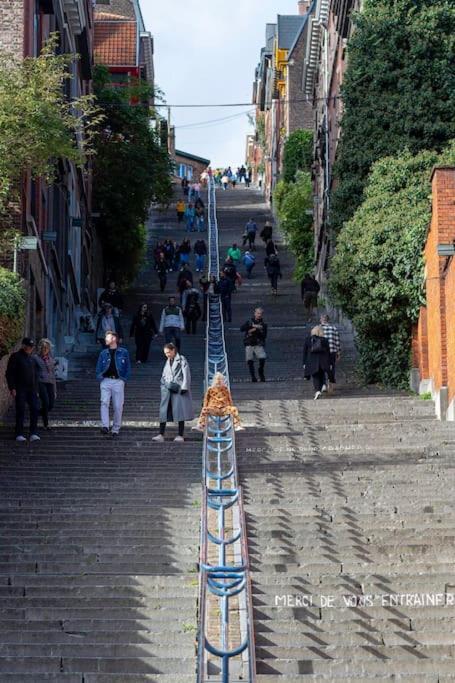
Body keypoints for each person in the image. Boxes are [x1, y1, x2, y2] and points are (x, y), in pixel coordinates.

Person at [153, 343, 194, 443]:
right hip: (167, 389)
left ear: (173, 350)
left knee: (180, 412)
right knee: (164, 412)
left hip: (178, 388)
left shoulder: (181, 359)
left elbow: (186, 373)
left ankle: (180, 434)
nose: (167, 354)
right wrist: (163, 386)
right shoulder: (167, 361)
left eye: (168, 352)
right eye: (165, 353)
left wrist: (184, 387)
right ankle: (161, 434)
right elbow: (163, 376)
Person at [96, 330, 131, 436]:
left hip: (118, 380)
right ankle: (105, 426)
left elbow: (128, 367)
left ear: (114, 339)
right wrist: (99, 377)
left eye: (108, 337)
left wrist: (124, 379)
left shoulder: (123, 352)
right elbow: (98, 367)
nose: (105, 339)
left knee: (118, 406)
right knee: (104, 402)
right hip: (105, 380)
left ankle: (115, 429)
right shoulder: (103, 353)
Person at [5, 337, 40, 442]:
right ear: (23, 345)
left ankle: (33, 433)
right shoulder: (15, 357)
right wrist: (12, 387)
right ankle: (18, 433)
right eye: (28, 346)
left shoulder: (32, 359)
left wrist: (37, 389)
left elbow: (36, 375)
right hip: (20, 388)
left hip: (32, 389)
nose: (30, 348)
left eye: (32, 347)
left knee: (35, 408)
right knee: (20, 409)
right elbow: (9, 373)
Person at [34, 338, 57, 430]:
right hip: (41, 383)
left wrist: (55, 390)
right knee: (46, 403)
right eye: (43, 348)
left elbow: (53, 375)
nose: (45, 350)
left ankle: (36, 413)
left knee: (51, 405)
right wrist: (35, 389)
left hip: (50, 383)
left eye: (47, 348)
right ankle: (46, 424)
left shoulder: (51, 359)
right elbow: (34, 374)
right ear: (40, 348)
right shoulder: (35, 358)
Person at [303, 325, 331, 400]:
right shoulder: (325, 340)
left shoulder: (308, 340)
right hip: (323, 361)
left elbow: (305, 352)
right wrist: (330, 362)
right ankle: (323, 385)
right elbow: (328, 352)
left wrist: (304, 363)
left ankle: (317, 390)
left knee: (315, 376)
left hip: (312, 361)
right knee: (322, 374)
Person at [240, 308, 267, 382]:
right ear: (255, 313)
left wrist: (257, 330)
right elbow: (242, 328)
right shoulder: (249, 322)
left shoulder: (263, 324)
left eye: (260, 314)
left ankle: (260, 371)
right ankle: (253, 376)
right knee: (250, 360)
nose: (259, 315)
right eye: (258, 313)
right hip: (249, 343)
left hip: (258, 343)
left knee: (262, 358)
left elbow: (264, 335)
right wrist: (251, 327)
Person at [320, 313, 341, 393]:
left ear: (321, 320)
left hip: (322, 352)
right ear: (328, 320)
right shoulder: (334, 328)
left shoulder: (318, 328)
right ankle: (331, 385)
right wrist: (338, 353)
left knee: (322, 368)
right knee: (332, 368)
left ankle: (323, 384)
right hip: (332, 351)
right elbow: (337, 341)